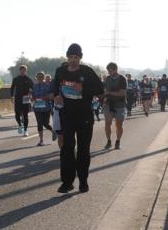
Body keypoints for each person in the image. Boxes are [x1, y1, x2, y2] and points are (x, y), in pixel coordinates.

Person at [53, 44, 104, 193]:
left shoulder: (87, 72)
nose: (73, 60)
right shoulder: (61, 71)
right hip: (66, 115)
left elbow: (100, 90)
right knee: (67, 149)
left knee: (83, 150)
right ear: (67, 57)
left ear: (80, 58)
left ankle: (83, 181)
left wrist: (84, 89)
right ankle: (67, 182)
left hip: (84, 116)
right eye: (70, 57)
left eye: (76, 57)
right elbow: (56, 87)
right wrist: (56, 95)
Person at [102, 62, 127, 150]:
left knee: (119, 124)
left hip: (120, 105)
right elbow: (105, 90)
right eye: (108, 71)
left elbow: (122, 93)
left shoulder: (122, 79)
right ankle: (108, 141)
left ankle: (118, 141)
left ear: (115, 70)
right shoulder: (107, 78)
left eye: (110, 71)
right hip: (108, 104)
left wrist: (109, 92)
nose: (108, 73)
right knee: (107, 123)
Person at [10, 65, 34, 137]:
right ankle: (20, 125)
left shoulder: (28, 79)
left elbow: (33, 88)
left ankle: (26, 130)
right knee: (17, 114)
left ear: (26, 71)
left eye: (24, 70)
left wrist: (31, 94)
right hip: (18, 98)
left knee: (25, 115)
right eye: (22, 70)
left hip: (26, 98)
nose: (23, 71)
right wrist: (12, 96)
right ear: (20, 71)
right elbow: (12, 88)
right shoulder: (16, 79)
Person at [31, 71, 53, 146]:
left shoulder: (48, 85)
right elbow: (33, 95)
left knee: (45, 124)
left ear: (44, 77)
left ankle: (53, 131)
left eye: (41, 77)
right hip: (37, 108)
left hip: (46, 107)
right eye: (38, 77)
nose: (40, 78)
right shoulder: (34, 86)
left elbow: (51, 96)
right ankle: (41, 140)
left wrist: (45, 97)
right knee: (39, 123)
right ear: (36, 78)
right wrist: (32, 98)